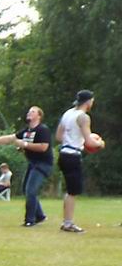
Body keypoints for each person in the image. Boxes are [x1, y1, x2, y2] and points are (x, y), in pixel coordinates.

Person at [0, 105, 52, 226]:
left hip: (43, 164)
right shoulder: (26, 131)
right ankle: (40, 216)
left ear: (39, 116)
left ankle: (30, 220)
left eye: (33, 112)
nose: (29, 113)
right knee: (26, 190)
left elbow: (43, 147)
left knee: (30, 191)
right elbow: (9, 138)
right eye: (29, 111)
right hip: (32, 164)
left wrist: (25, 145)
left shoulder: (42, 130)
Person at [54, 89, 99, 233]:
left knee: (70, 190)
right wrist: (100, 143)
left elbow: (59, 136)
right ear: (89, 102)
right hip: (73, 155)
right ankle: (68, 223)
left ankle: (66, 221)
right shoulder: (83, 117)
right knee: (73, 191)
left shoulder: (68, 113)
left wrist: (74, 139)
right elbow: (89, 142)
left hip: (63, 153)